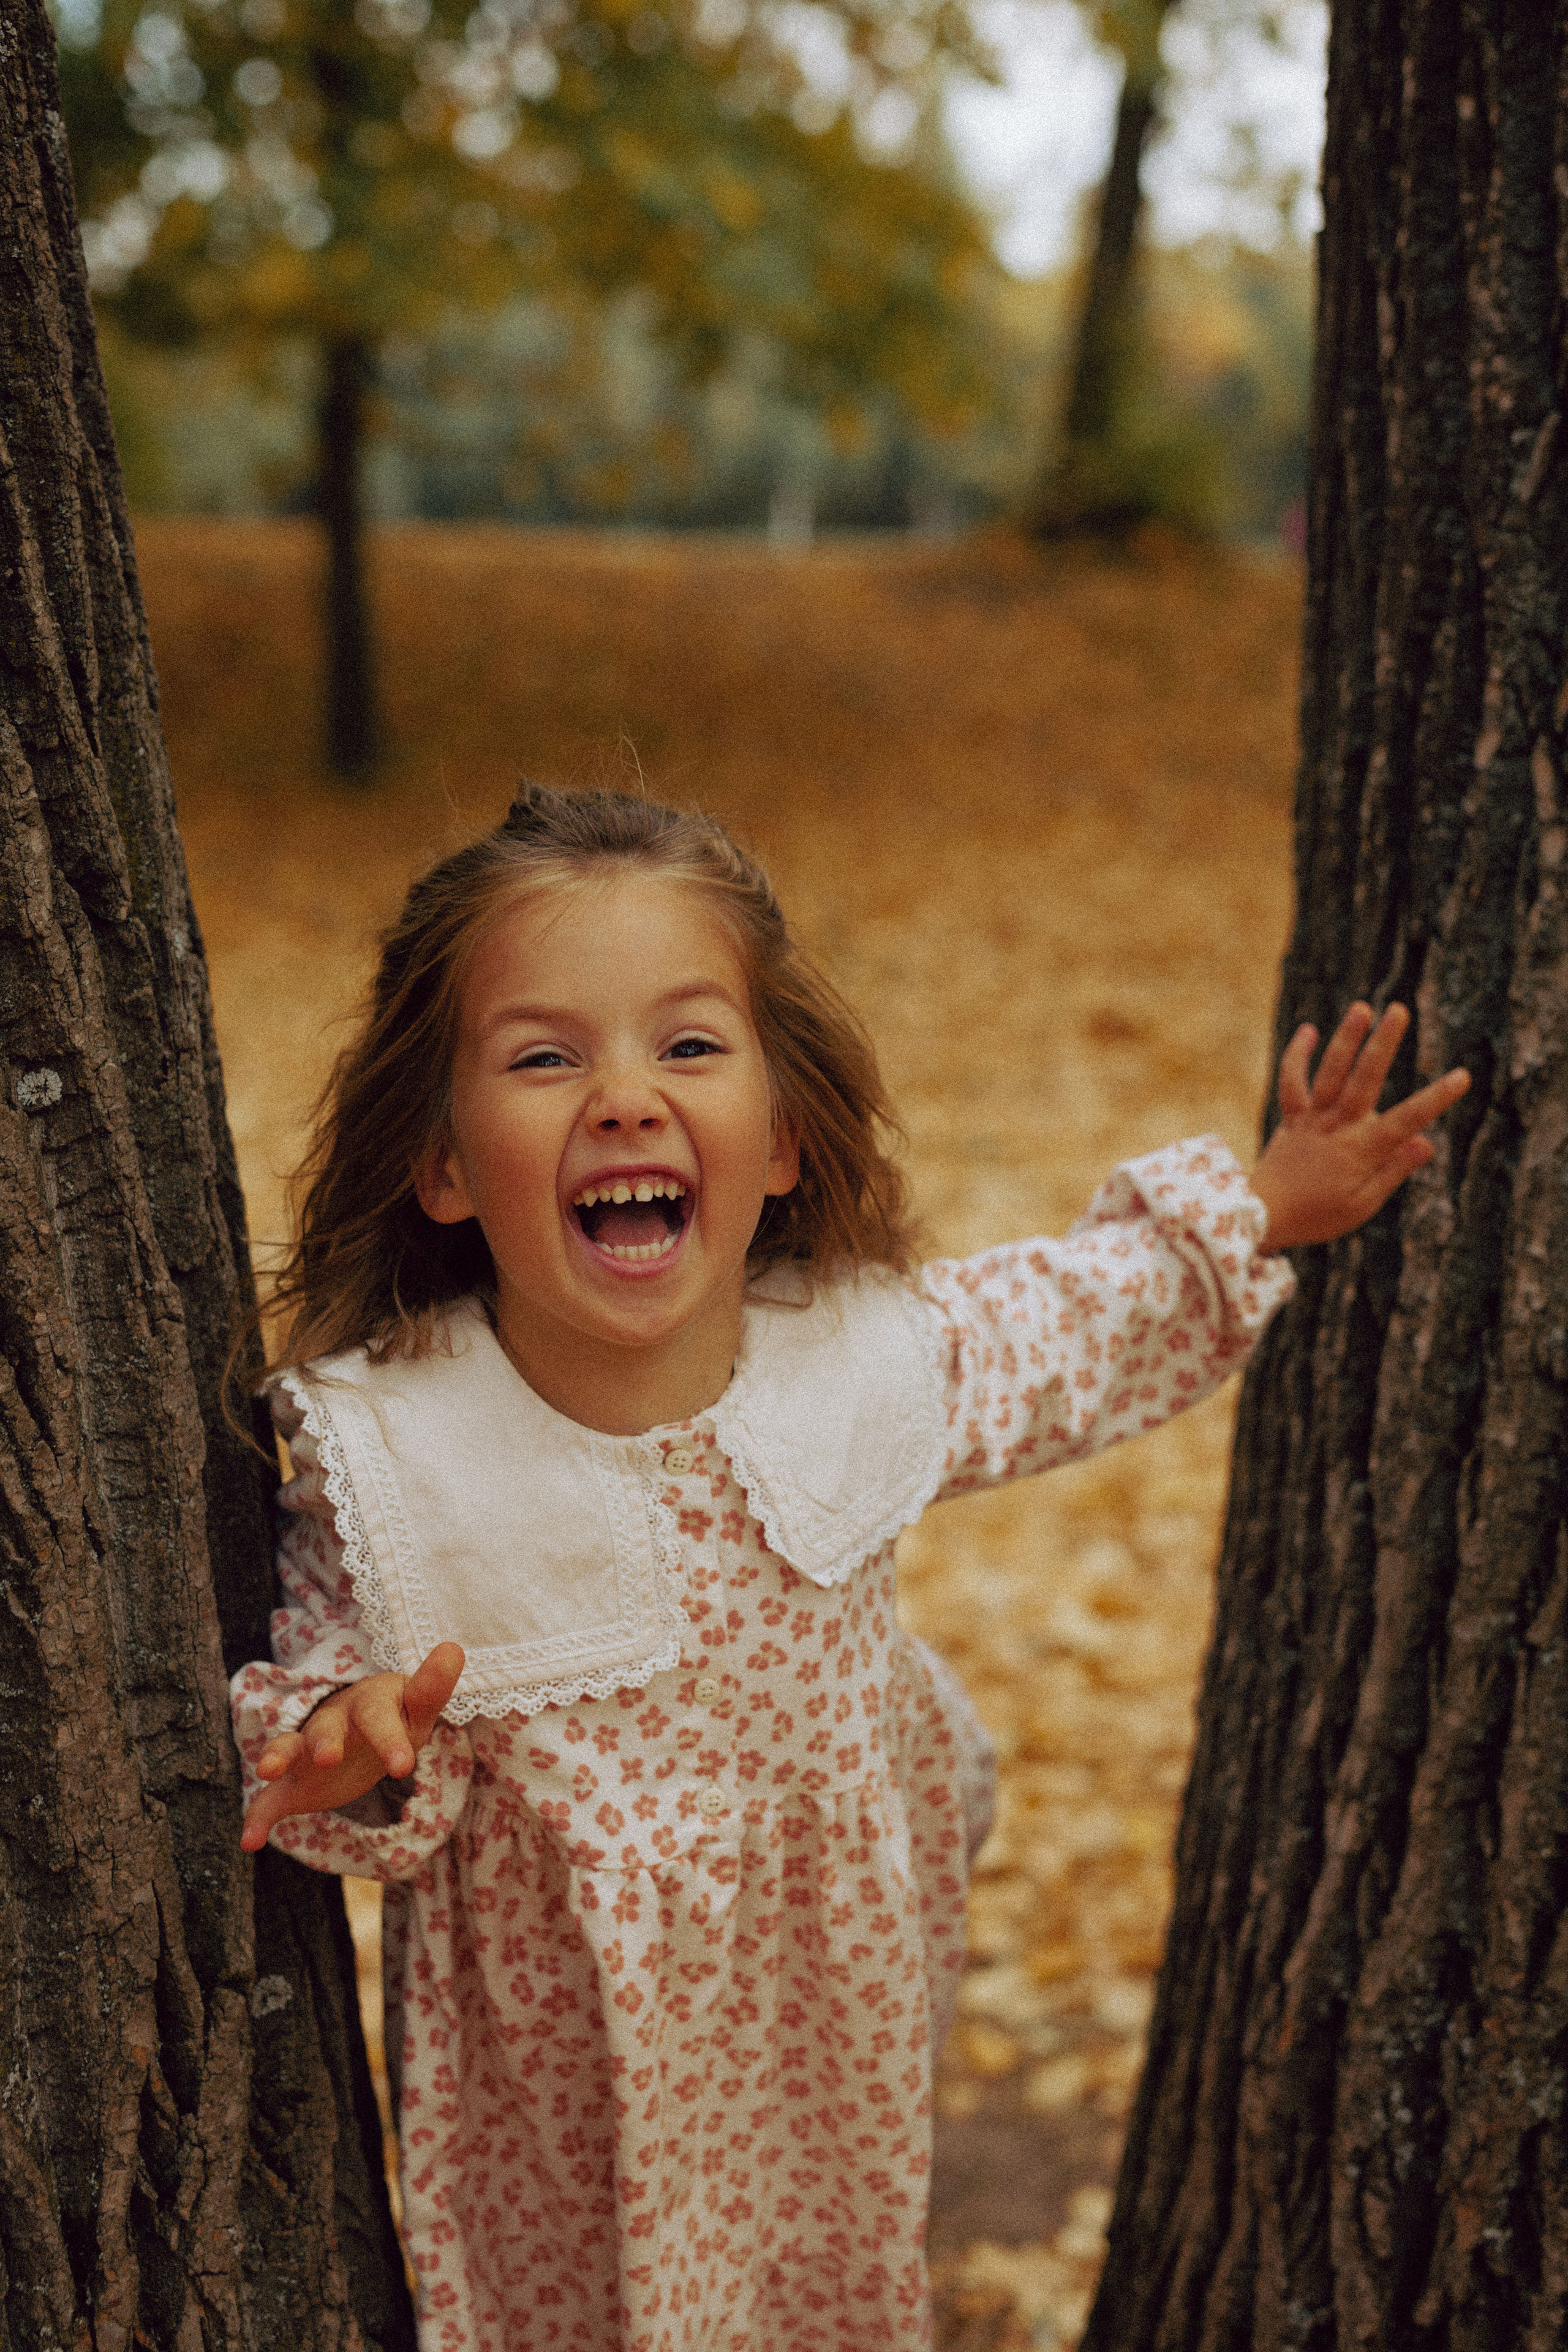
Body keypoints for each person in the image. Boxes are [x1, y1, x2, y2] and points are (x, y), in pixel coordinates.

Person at [230, 782, 1469, 2352]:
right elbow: (334, 1717)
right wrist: (342, 1746)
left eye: (687, 1045)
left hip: (830, 2036)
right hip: (573, 2105)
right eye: (545, 1058)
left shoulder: (863, 1358)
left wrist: (1272, 1201)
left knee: (833, 2302)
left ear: (784, 1138)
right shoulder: (405, 1454)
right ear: (443, 1165)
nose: (622, 1098)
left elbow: (1074, 1316)